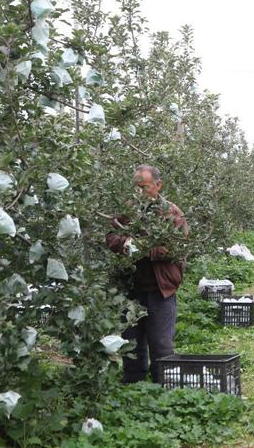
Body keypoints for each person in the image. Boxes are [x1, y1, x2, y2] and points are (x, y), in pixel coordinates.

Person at [106, 164, 188, 383]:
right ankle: (134, 383)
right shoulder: (128, 210)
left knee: (161, 341)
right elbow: (111, 237)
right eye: (136, 188)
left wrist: (145, 249)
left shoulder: (172, 212)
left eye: (144, 187)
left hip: (162, 288)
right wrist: (126, 244)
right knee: (131, 339)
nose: (140, 192)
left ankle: (164, 383)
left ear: (158, 185)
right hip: (132, 286)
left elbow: (179, 247)